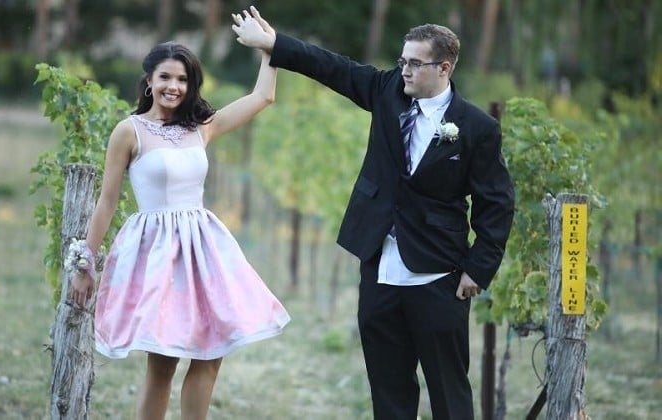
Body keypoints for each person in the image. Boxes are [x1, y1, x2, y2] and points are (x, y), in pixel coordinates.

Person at [235, 7, 515, 420]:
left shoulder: (476, 127)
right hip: (380, 270)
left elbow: (497, 202)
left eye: (415, 64)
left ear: (444, 67)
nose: (404, 70)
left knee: (449, 393)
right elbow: (333, 67)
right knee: (388, 391)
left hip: (439, 275)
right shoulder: (387, 92)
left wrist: (478, 268)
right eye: (402, 61)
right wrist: (276, 45)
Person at [67, 10, 290, 420]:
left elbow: (263, 98)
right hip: (156, 253)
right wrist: (86, 262)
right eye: (166, 77)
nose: (174, 86)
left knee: (211, 353)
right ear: (149, 81)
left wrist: (269, 50)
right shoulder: (128, 131)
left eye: (183, 79)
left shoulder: (200, 126)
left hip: (203, 248)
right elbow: (108, 200)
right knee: (163, 360)